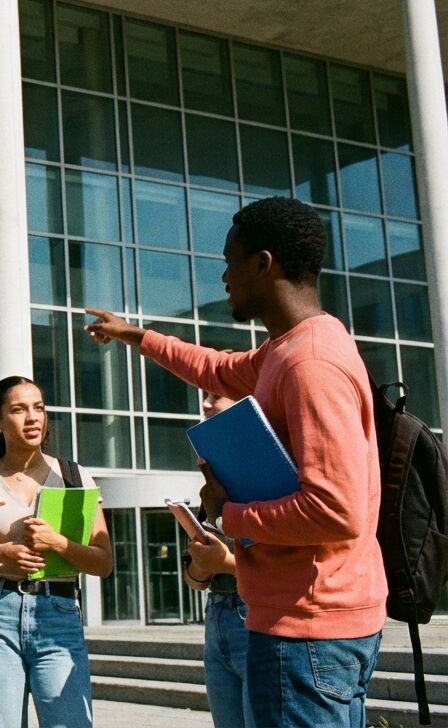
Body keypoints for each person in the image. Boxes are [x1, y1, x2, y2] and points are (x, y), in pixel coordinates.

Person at [85, 196, 385, 727]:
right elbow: (217, 368)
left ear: (263, 263)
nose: (223, 277)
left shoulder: (310, 363)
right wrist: (134, 335)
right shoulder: (288, 349)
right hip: (305, 625)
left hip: (307, 631)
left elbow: (336, 511)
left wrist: (227, 514)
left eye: (230, 261)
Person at [0, 376, 112, 728]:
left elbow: (103, 562)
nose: (32, 417)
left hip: (59, 614)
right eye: (19, 409)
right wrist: (0, 553)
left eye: (38, 408)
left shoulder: (74, 476)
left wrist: (57, 544)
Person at [182, 389, 253, 728]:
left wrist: (223, 563)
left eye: (216, 395)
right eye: (205, 395)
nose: (206, 403)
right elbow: (194, 580)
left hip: (255, 616)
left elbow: (286, 567)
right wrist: (201, 560)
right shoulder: (214, 479)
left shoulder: (267, 471)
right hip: (217, 616)